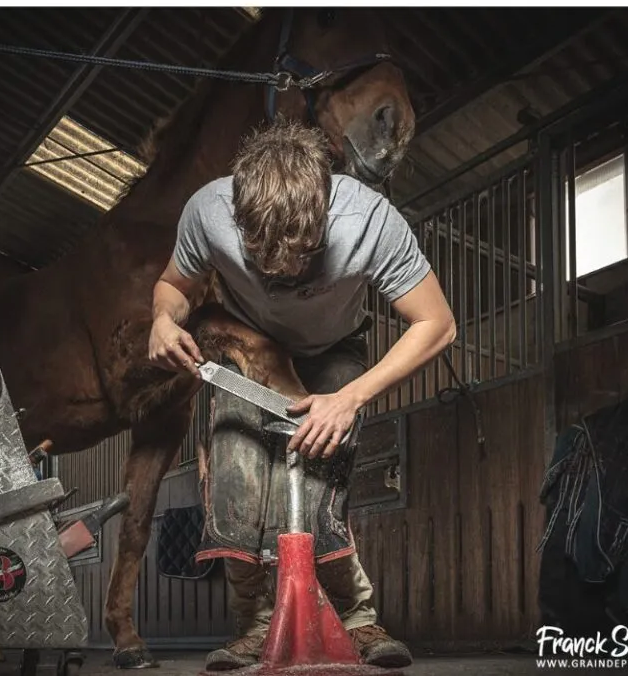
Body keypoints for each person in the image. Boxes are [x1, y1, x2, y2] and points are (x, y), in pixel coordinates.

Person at [149, 119, 457, 669]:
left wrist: (351, 398)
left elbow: (436, 323)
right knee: (235, 487)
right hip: (248, 351)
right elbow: (174, 285)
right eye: (261, 252)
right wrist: (163, 319)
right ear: (236, 215)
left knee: (319, 485)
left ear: (323, 215)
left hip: (331, 350)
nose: (281, 270)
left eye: (300, 253)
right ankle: (255, 626)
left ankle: (357, 620)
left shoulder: (368, 221)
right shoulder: (207, 211)